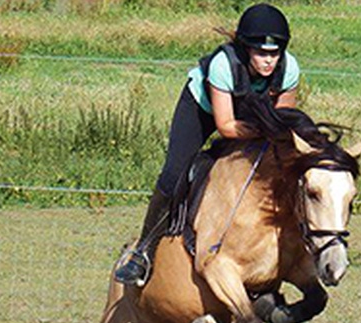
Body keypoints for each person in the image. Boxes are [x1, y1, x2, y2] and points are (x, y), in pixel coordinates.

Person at [114, 3, 300, 286]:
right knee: (175, 174)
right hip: (203, 110)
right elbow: (226, 126)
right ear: (246, 48)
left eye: (274, 53)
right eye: (261, 53)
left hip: (250, 116)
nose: (268, 61)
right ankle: (143, 253)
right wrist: (264, 129)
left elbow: (282, 121)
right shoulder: (223, 65)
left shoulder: (289, 69)